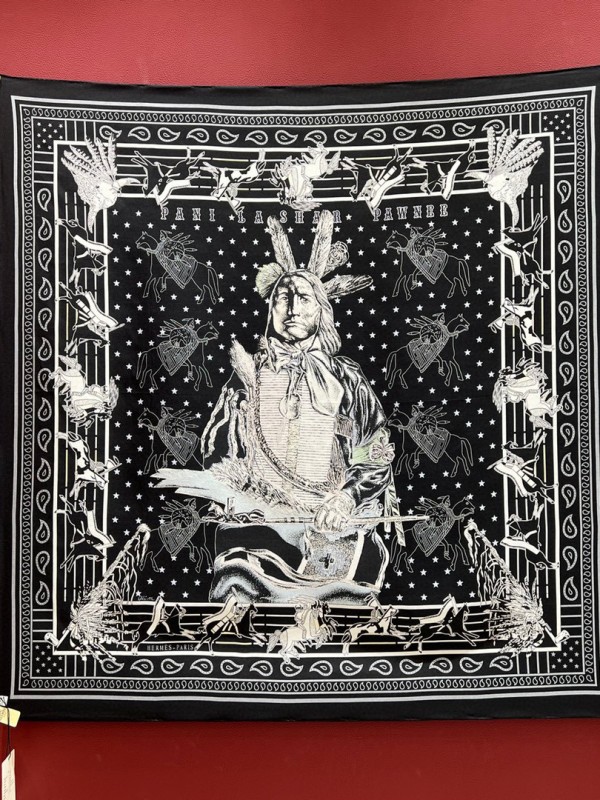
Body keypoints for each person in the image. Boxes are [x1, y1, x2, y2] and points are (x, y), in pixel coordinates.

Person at [168, 211, 397, 603]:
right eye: (282, 298)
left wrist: (346, 498)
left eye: (303, 298)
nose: (291, 308)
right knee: (242, 581)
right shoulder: (248, 376)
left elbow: (374, 453)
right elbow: (217, 451)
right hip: (257, 525)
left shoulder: (347, 380)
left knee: (347, 588)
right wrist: (240, 495)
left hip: (330, 524)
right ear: (271, 310)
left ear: (322, 310)